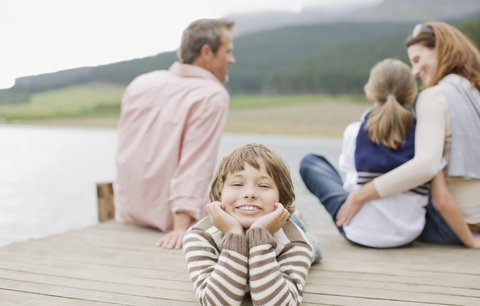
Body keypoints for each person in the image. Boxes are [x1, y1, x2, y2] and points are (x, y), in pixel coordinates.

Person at [333, 21, 480, 248]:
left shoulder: (433, 96)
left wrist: (362, 194)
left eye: (418, 59)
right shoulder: (474, 91)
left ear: (441, 49)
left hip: (457, 224)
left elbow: (426, 166)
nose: (415, 71)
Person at [113, 18, 236, 249]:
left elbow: (125, 154)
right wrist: (182, 226)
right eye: (228, 51)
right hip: (172, 221)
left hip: (129, 216)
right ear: (207, 52)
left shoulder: (140, 84)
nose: (232, 59)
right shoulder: (210, 95)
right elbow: (195, 163)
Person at [299, 58, 444, 248]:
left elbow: (350, 177)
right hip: (409, 233)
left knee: (311, 162)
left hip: (358, 231)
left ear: (370, 95)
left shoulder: (355, 131)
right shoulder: (425, 137)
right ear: (412, 96)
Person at [183, 144, 318, 306]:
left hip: (288, 231)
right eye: (237, 184)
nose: (250, 193)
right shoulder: (200, 237)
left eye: (264, 186)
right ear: (217, 195)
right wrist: (234, 233)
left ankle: (297, 219)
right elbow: (215, 303)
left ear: (283, 201)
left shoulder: (296, 243)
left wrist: (260, 234)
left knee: (314, 248)